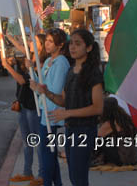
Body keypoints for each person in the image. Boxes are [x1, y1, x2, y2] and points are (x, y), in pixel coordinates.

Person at [33, 29, 103, 186]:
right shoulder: (71, 71)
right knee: (73, 175)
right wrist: (47, 92)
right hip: (71, 129)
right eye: (71, 43)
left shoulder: (93, 73)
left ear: (89, 47)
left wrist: (68, 113)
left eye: (78, 44)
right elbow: (64, 100)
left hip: (85, 130)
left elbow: (98, 107)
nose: (73, 47)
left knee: (79, 178)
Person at [2, 34, 47, 185]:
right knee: (27, 141)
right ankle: (28, 172)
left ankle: (42, 175)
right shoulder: (30, 57)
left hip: (34, 108)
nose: (30, 42)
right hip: (23, 105)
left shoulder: (40, 63)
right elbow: (20, 48)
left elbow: (22, 81)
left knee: (37, 142)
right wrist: (6, 38)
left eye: (34, 41)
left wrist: (7, 66)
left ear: (40, 45)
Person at [29, 28, 70, 186]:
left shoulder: (61, 63)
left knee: (47, 156)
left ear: (60, 45)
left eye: (50, 41)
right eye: (46, 40)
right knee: (49, 155)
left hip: (51, 113)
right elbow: (43, 85)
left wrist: (41, 89)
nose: (46, 44)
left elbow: (54, 90)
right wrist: (33, 74)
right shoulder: (47, 61)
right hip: (43, 110)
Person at [91, 97, 137, 167]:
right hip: (134, 156)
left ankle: (96, 158)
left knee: (100, 140)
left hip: (122, 159)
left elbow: (96, 136)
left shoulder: (110, 123)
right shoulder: (124, 118)